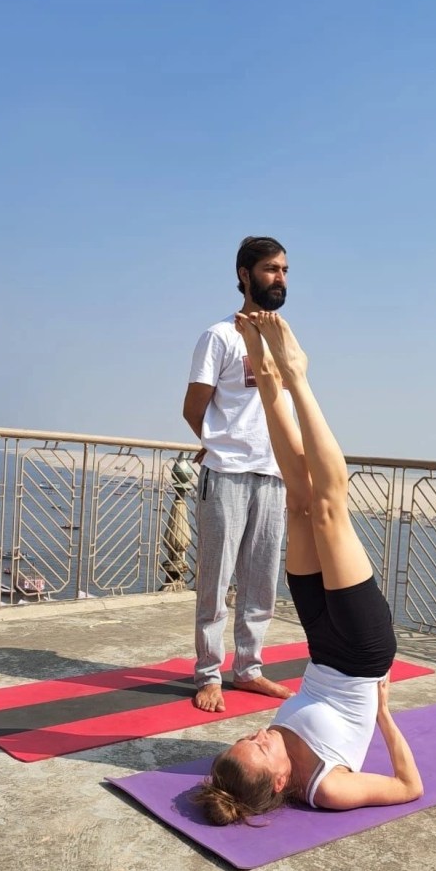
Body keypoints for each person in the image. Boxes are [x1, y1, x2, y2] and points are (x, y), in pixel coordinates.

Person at [194, 312, 424, 825]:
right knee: (327, 508)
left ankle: (269, 380)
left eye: (245, 738)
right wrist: (384, 716)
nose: (259, 734)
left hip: (322, 644)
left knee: (298, 500)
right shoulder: (327, 787)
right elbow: (410, 786)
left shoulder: (264, 757)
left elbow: (257, 756)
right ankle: (297, 377)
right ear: (281, 782)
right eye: (261, 748)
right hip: (365, 654)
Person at [183, 237, 296, 713]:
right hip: (226, 473)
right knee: (216, 579)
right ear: (245, 274)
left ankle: (248, 669)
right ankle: (209, 673)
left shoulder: (284, 337)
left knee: (261, 579)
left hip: (272, 474)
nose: (281, 279)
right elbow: (194, 407)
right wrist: (221, 446)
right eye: (271, 269)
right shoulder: (219, 336)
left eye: (286, 270)